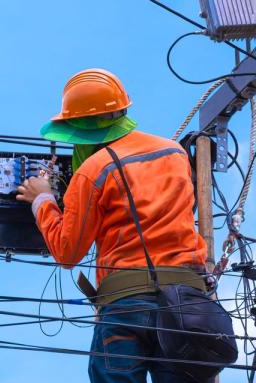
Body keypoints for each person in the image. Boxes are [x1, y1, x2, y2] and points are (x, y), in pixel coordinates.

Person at [16, 68, 209, 383]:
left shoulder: (93, 170)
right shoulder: (174, 153)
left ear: (79, 131)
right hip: (186, 303)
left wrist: (43, 200)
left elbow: (68, 252)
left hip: (126, 304)